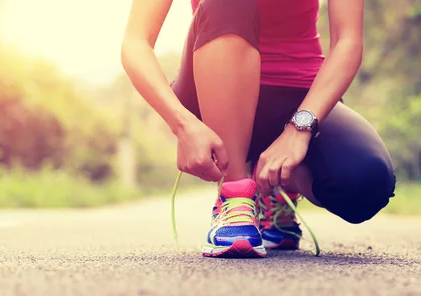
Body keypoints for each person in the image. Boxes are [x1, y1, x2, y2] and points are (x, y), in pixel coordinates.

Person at [121, 0, 396, 258]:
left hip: (300, 95)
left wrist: (299, 129)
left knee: (365, 184)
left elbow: (348, 41)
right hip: (213, 89)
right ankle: (235, 195)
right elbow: (136, 42)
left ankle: (279, 184)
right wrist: (181, 123)